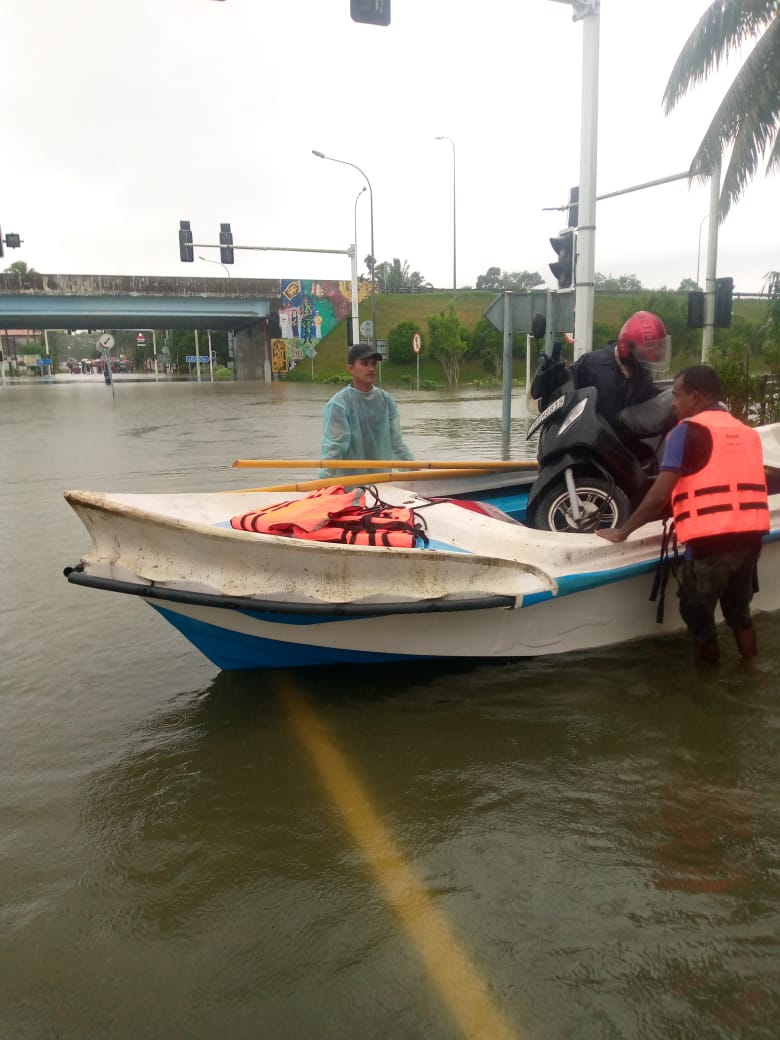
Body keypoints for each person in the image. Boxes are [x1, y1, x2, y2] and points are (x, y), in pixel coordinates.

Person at [597, 364, 770, 664]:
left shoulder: (686, 431)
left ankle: (706, 691)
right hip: (750, 539)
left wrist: (622, 531)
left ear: (697, 396)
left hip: (710, 546)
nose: (673, 403)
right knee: (739, 615)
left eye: (676, 395)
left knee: (698, 618)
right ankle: (751, 670)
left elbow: (659, 494)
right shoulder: (745, 432)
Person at [533, 311, 669, 425]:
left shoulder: (642, 374)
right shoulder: (593, 365)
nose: (645, 361)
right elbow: (565, 386)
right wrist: (553, 376)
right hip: (591, 445)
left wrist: (672, 399)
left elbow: (649, 403)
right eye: (642, 355)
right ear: (626, 348)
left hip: (627, 448)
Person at [319, 343, 413, 478]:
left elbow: (397, 445)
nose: (371, 369)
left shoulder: (386, 401)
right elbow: (333, 449)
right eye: (364, 363)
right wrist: (325, 485)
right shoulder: (340, 404)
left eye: (373, 364)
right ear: (351, 368)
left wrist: (415, 472)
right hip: (349, 486)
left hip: (382, 484)